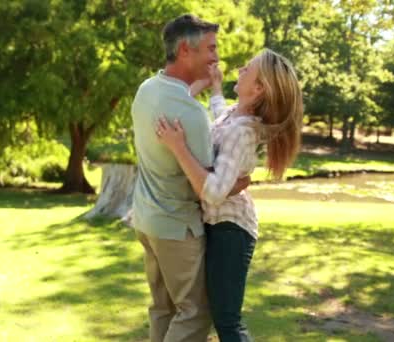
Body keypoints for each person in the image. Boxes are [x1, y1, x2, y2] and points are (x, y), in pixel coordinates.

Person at [155, 49, 304, 341]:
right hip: (217, 225)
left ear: (259, 88)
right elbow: (219, 112)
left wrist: (178, 147)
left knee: (227, 320)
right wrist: (216, 87)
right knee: (212, 312)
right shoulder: (235, 115)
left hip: (230, 230)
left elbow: (212, 192)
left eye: (247, 69)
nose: (240, 69)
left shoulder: (243, 132)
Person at [130, 14, 249, 342]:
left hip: (146, 220)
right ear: (185, 50)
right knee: (195, 314)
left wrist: (211, 87)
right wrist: (232, 185)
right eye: (210, 49)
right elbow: (206, 185)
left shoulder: (148, 90)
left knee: (163, 309)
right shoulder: (192, 115)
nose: (216, 57)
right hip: (177, 227)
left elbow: (179, 97)